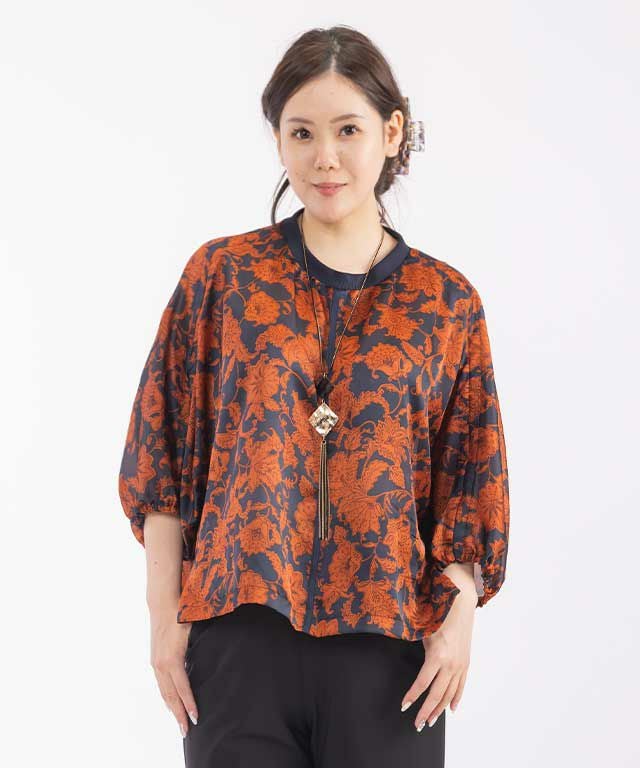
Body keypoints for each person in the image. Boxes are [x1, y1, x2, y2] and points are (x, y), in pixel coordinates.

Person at [118, 25, 510, 768]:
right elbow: (161, 452)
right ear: (278, 140)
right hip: (238, 636)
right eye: (301, 132)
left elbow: (471, 476)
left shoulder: (446, 301)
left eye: (348, 130)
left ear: (391, 133)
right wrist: (163, 622)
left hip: (393, 648)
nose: (325, 156)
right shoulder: (222, 277)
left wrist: (459, 620)